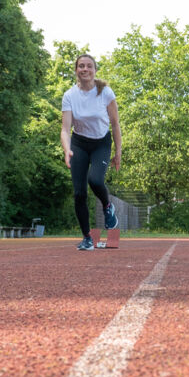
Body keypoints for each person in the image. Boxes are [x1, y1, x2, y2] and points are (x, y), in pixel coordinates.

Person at [61, 54, 121, 251]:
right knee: (79, 193)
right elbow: (65, 129)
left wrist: (118, 151)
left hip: (101, 144)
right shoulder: (69, 95)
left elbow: (115, 123)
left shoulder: (105, 92)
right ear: (76, 70)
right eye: (81, 66)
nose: (84, 69)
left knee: (95, 180)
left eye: (89, 66)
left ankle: (107, 206)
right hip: (79, 143)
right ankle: (87, 237)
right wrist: (67, 148)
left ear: (95, 70)